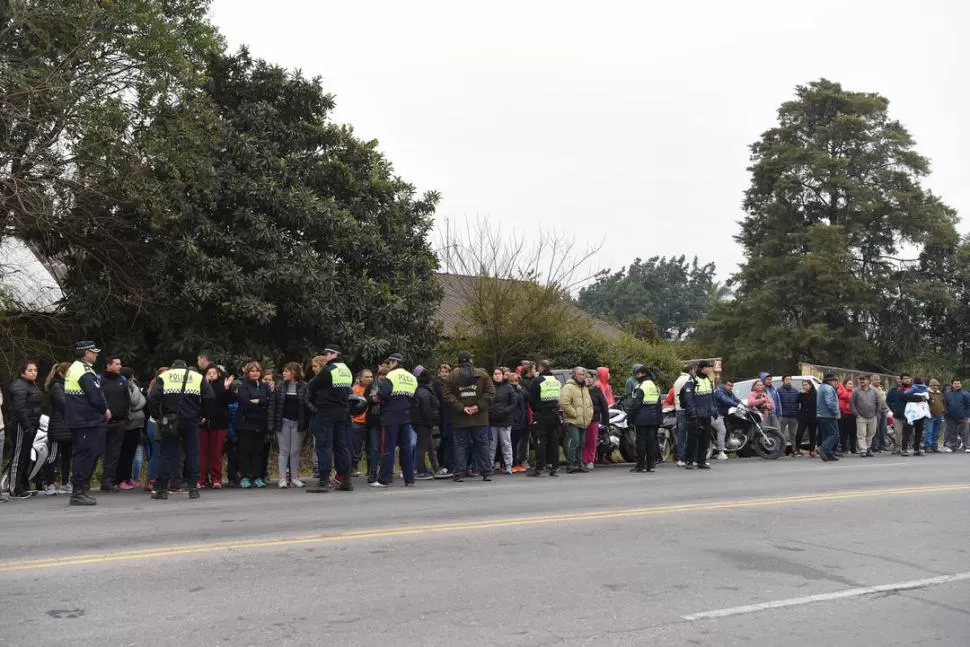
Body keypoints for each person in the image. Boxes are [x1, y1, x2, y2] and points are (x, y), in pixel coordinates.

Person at [147, 359, 212, 500]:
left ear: (172, 367)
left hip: (170, 420)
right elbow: (209, 397)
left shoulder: (164, 376)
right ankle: (193, 488)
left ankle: (162, 489)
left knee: (166, 454)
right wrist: (203, 415)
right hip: (191, 420)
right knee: (192, 453)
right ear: (186, 367)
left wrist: (157, 416)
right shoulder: (197, 377)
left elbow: (153, 398)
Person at [64, 341, 110, 506]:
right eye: (93, 352)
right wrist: (105, 410)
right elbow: (95, 395)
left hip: (78, 418)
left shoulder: (74, 367)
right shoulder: (83, 371)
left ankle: (79, 489)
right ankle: (78, 492)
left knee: (80, 455)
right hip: (85, 420)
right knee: (84, 456)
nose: (96, 355)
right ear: (86, 353)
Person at [304, 345, 354, 492]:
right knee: (341, 446)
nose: (325, 356)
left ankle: (324, 481)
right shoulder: (347, 370)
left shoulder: (329, 370)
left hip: (326, 412)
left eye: (327, 354)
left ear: (334, 354)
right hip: (343, 412)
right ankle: (346, 480)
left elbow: (313, 386)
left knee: (324, 445)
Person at [444, 351, 495, 482]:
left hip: (460, 418)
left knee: (460, 446)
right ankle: (487, 472)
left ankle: (459, 474)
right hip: (479, 418)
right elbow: (490, 392)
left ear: (459, 361)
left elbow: (447, 395)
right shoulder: (482, 374)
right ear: (471, 361)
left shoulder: (452, 376)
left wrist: (461, 407)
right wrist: (478, 406)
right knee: (482, 445)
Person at [374, 353, 418, 487]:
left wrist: (378, 397)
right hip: (405, 416)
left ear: (394, 363)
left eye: (389, 363)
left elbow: (384, 393)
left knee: (388, 448)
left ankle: (384, 479)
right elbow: (415, 401)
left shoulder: (391, 375)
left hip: (391, 416)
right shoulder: (412, 378)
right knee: (405, 449)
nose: (388, 365)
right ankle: (409, 479)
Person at [8, 359, 44, 498]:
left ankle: (22, 486)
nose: (34, 372)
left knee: (25, 456)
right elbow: (18, 409)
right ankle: (14, 488)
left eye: (35, 370)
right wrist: (27, 426)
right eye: (30, 370)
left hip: (31, 425)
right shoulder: (19, 385)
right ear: (23, 372)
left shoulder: (31, 385)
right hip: (21, 426)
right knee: (18, 457)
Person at [269, 362, 307, 488]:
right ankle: (282, 479)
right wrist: (272, 424)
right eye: (283, 371)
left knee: (295, 451)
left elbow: (307, 405)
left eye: (286, 371)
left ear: (294, 372)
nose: (283, 373)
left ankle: (295, 477)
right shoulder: (279, 386)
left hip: (298, 423)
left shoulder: (304, 386)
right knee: (284, 451)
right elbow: (273, 406)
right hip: (283, 422)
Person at [234, 361, 270, 488]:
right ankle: (244, 477)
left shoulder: (265, 386)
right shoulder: (243, 386)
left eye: (257, 371)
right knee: (245, 451)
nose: (255, 373)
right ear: (247, 373)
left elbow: (269, 400)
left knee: (258, 451)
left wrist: (259, 401)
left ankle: (257, 476)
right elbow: (245, 402)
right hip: (245, 423)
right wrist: (260, 403)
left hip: (261, 423)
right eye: (252, 371)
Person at [99, 356, 131, 492]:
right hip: (102, 422)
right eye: (117, 364)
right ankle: (84, 481)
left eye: (120, 364)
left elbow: (127, 399)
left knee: (114, 453)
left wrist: (125, 416)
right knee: (95, 452)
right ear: (108, 365)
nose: (120, 366)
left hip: (119, 422)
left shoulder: (122, 380)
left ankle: (108, 481)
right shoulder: (99, 380)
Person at [200, 365, 234, 488]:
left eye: (214, 372)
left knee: (216, 452)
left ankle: (216, 479)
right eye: (209, 372)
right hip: (203, 423)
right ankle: (202, 479)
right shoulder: (200, 385)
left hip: (219, 423)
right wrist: (206, 384)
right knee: (203, 453)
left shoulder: (222, 385)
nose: (212, 374)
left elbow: (229, 400)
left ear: (219, 374)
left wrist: (226, 388)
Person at [527, 359, 562, 478]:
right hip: (554, 414)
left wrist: (537, 410)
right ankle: (554, 467)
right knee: (553, 442)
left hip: (541, 415)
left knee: (540, 442)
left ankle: (539, 468)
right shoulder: (556, 381)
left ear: (541, 368)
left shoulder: (538, 381)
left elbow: (532, 400)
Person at [45, 362, 74, 494]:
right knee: (53, 456)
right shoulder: (57, 386)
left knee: (67, 457)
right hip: (58, 426)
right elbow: (63, 404)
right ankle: (49, 483)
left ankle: (65, 482)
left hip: (68, 425)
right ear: (62, 373)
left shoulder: (69, 385)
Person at [627, 365, 661, 472]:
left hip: (641, 418)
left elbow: (635, 405)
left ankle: (641, 465)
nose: (636, 376)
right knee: (651, 441)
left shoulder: (640, 387)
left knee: (641, 442)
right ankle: (651, 465)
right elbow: (658, 404)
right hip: (652, 418)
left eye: (638, 374)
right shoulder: (654, 386)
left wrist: (629, 418)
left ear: (643, 374)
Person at [116, 368, 146, 489]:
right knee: (124, 453)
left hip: (137, 424)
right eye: (132, 376)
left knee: (131, 453)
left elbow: (144, 400)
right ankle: (121, 478)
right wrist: (138, 393)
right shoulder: (126, 387)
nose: (134, 379)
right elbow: (134, 402)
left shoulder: (134, 387)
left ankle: (128, 478)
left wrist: (139, 399)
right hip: (128, 424)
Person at [560, 367, 593, 474]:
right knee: (575, 441)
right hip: (573, 420)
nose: (582, 376)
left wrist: (589, 414)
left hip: (583, 421)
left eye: (583, 374)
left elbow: (589, 403)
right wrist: (574, 414)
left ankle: (579, 464)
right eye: (580, 374)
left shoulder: (584, 388)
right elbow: (564, 403)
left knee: (581, 443)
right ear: (574, 375)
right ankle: (570, 464)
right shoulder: (568, 387)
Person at [488, 367, 515, 475]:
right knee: (491, 445)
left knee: (506, 444)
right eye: (495, 374)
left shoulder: (508, 387)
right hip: (492, 421)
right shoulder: (489, 387)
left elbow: (514, 402)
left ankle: (508, 465)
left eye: (499, 373)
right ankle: (490, 465)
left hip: (505, 420)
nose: (497, 375)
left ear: (503, 375)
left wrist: (505, 411)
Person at [350, 368, 374, 476]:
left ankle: (370, 469)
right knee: (356, 446)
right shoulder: (355, 389)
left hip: (371, 422)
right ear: (360, 378)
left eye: (371, 377)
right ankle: (353, 468)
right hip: (358, 422)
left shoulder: (375, 389)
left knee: (371, 446)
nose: (369, 379)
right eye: (367, 377)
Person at [585, 371, 610, 470]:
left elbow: (604, 406)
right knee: (582, 441)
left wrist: (605, 421)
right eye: (586, 377)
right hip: (581, 420)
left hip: (593, 419)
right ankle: (582, 460)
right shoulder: (580, 390)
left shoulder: (597, 391)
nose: (588, 379)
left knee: (591, 441)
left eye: (590, 377)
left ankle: (590, 460)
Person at [433, 363, 454, 478]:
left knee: (446, 439)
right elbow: (443, 397)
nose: (444, 374)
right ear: (439, 373)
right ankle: (443, 463)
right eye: (442, 372)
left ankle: (445, 462)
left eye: (446, 372)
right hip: (442, 414)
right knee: (445, 439)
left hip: (448, 414)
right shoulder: (437, 384)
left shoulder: (450, 383)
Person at [851, 375, 879, 457]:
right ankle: (863, 449)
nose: (862, 381)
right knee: (861, 434)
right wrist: (856, 414)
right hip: (861, 416)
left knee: (871, 433)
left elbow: (878, 403)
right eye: (860, 379)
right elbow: (852, 403)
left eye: (864, 379)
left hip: (872, 416)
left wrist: (876, 413)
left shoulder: (874, 391)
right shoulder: (856, 391)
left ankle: (868, 448)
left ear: (868, 381)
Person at [713, 379, 741, 460]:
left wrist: (743, 405)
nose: (730, 387)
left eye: (732, 386)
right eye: (729, 385)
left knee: (730, 427)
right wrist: (736, 405)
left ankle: (727, 445)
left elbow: (736, 399)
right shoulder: (719, 392)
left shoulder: (730, 393)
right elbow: (725, 400)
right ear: (724, 384)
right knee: (722, 431)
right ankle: (720, 452)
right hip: (717, 415)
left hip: (724, 415)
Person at [816, 374, 841, 462]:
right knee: (834, 434)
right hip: (828, 415)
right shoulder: (828, 388)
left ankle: (828, 454)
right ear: (830, 381)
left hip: (821, 415)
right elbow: (830, 402)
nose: (836, 383)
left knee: (826, 435)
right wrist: (837, 412)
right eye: (835, 381)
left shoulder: (821, 387)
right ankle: (823, 448)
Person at [508, 372, 530, 472]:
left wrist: (520, 389)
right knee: (512, 443)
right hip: (513, 420)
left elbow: (527, 396)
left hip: (521, 419)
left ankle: (516, 463)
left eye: (517, 381)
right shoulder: (510, 390)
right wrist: (518, 390)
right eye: (513, 381)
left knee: (517, 443)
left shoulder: (520, 389)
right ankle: (512, 463)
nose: (515, 383)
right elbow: (515, 399)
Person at [672, 365, 692, 467]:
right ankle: (687, 457)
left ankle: (680, 458)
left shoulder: (677, 380)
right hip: (686, 409)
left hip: (678, 409)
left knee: (681, 435)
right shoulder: (688, 380)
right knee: (689, 435)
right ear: (690, 371)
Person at [943, 378, 970, 453]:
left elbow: (968, 405)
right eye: (955, 383)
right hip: (950, 416)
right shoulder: (947, 393)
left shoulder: (966, 393)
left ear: (961, 384)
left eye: (958, 383)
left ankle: (967, 446)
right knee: (951, 432)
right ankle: (951, 447)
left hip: (963, 416)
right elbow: (945, 404)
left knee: (965, 432)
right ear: (952, 384)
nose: (957, 385)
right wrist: (945, 414)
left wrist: (968, 416)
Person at [794, 380, 818, 457]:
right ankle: (797, 449)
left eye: (806, 385)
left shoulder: (815, 393)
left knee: (812, 435)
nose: (804, 386)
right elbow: (796, 401)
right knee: (799, 433)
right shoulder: (802, 394)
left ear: (810, 385)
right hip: (803, 417)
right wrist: (801, 394)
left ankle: (812, 450)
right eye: (803, 385)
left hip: (813, 417)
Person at [777, 376, 800, 454]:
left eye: (790, 379)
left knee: (793, 434)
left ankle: (794, 450)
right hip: (783, 416)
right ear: (783, 381)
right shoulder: (779, 390)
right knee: (781, 433)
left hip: (793, 416)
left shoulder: (795, 391)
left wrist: (798, 414)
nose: (788, 381)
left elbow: (798, 403)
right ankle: (780, 451)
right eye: (787, 379)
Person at [886, 376, 908, 455]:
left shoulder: (907, 389)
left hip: (907, 415)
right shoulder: (893, 390)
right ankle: (897, 447)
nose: (899, 380)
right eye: (898, 379)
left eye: (900, 379)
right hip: (897, 415)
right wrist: (893, 409)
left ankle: (904, 448)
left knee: (905, 432)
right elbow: (888, 400)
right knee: (898, 432)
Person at [925, 379, 946, 453]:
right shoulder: (926, 393)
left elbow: (943, 403)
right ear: (929, 385)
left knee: (936, 432)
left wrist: (943, 411)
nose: (935, 387)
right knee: (929, 431)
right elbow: (924, 404)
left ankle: (934, 446)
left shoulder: (940, 393)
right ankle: (927, 447)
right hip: (930, 415)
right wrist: (928, 413)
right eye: (933, 385)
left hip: (939, 415)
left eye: (937, 385)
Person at [871, 375, 889, 453]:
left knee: (883, 429)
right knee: (876, 429)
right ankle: (875, 445)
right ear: (872, 380)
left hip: (884, 410)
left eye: (879, 380)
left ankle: (882, 445)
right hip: (876, 411)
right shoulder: (871, 389)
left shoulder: (880, 388)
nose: (878, 381)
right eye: (876, 380)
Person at [837, 378, 856, 454]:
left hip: (853, 414)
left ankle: (853, 449)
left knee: (853, 432)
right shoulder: (842, 391)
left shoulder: (854, 392)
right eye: (849, 384)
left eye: (852, 384)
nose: (851, 385)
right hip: (844, 414)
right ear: (845, 384)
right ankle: (844, 448)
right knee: (844, 432)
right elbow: (844, 398)